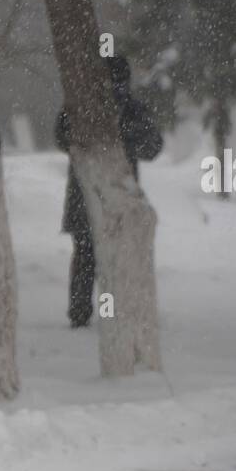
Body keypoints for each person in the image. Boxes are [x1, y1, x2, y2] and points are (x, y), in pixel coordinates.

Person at [54, 56, 163, 327]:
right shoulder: (116, 109)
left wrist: (115, 136)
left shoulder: (85, 107)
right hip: (102, 195)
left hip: (93, 195)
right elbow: (152, 147)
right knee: (103, 257)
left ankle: (86, 314)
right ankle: (104, 312)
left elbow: (62, 138)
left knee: (90, 257)